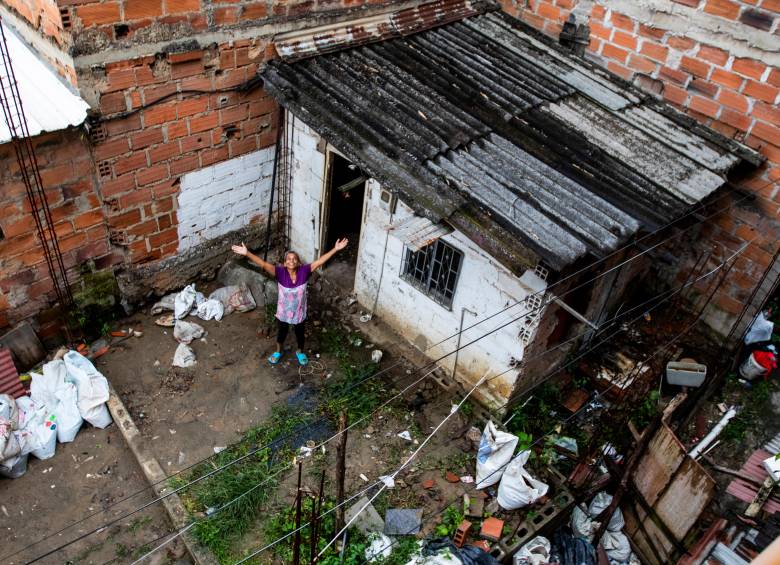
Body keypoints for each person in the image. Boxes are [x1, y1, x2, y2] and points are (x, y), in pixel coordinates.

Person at [231, 239, 349, 366]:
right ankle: (278, 351)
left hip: (299, 311)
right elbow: (263, 264)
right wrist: (247, 253)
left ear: (298, 263)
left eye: (294, 259)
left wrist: (335, 249)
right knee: (282, 333)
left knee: (300, 334)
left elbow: (320, 261)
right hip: (283, 312)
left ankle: (300, 351)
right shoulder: (280, 272)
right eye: (288, 259)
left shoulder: (304, 271)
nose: (291, 260)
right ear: (285, 263)